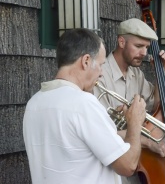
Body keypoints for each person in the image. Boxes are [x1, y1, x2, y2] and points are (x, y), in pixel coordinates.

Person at [23, 28, 147, 184]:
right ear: (86, 61)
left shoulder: (34, 103)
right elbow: (128, 166)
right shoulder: (83, 103)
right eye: (101, 64)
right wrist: (135, 123)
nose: (101, 73)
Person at [93, 18, 165, 184]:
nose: (144, 53)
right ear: (122, 41)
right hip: (109, 167)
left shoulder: (136, 74)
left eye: (146, 47)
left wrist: (160, 74)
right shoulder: (100, 74)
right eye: (139, 46)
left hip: (135, 164)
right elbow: (102, 131)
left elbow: (155, 106)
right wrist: (149, 143)